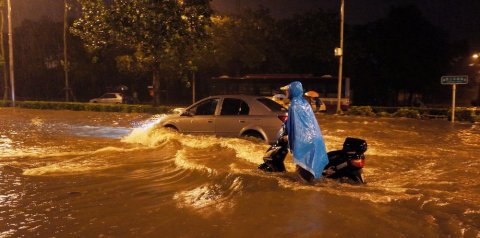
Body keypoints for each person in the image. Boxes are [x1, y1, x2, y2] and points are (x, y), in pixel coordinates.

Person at [281, 81, 329, 183]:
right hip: (315, 140)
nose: (286, 93)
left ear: (292, 91)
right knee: (310, 176)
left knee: (302, 181)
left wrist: (287, 135)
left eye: (287, 91)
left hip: (305, 143)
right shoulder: (305, 103)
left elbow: (294, 125)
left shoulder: (294, 105)